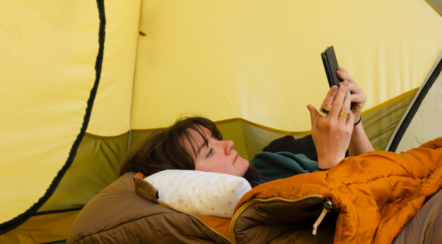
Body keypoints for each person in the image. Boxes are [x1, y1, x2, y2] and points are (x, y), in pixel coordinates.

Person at [119, 67, 375, 186]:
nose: (228, 144)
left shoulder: (270, 159)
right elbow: (345, 218)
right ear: (191, 182)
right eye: (209, 151)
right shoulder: (262, 204)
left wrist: (355, 121)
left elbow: (375, 169)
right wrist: (330, 159)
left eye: (216, 138)